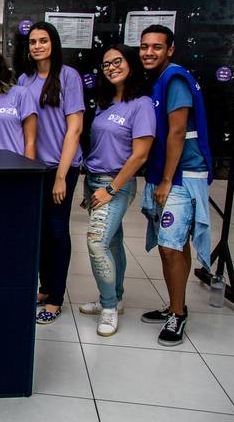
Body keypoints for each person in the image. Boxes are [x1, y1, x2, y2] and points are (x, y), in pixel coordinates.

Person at [138, 25, 213, 346]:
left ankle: (178, 314)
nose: (149, 52)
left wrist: (167, 180)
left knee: (170, 247)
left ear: (170, 49)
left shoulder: (175, 79)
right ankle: (174, 304)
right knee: (175, 244)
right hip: (169, 174)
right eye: (144, 46)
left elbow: (178, 132)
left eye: (157, 47)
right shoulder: (161, 80)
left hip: (181, 176)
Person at [79, 44, 155, 336]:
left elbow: (140, 155)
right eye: (106, 63)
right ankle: (116, 297)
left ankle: (109, 307)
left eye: (117, 61)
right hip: (94, 180)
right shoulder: (105, 104)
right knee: (111, 242)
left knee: (96, 244)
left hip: (117, 184)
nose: (111, 67)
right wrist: (93, 188)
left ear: (131, 64)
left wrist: (110, 189)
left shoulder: (142, 104)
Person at [17, 22, 84, 324]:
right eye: (33, 42)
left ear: (53, 44)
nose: (38, 46)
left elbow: (75, 127)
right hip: (35, 168)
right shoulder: (24, 79)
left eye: (43, 41)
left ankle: (56, 298)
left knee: (57, 231)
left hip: (62, 167)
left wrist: (61, 175)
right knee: (40, 230)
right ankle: (45, 288)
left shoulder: (68, 77)